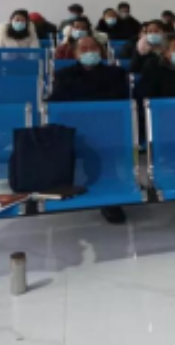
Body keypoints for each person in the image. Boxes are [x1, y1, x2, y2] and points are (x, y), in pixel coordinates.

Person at [49, 36, 129, 225]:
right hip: (76, 127)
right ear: (76, 54)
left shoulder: (115, 73)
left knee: (104, 145)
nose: (89, 52)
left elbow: (118, 98)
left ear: (101, 51)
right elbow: (58, 101)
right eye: (84, 49)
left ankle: (109, 199)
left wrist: (83, 100)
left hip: (107, 126)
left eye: (93, 48)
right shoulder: (64, 75)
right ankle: (96, 188)